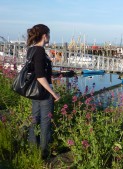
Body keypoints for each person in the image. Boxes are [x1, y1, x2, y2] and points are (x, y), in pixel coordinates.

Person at [26, 24, 60, 159]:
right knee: (46, 122)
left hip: (35, 92)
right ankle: (44, 154)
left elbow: (37, 71)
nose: (49, 37)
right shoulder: (39, 51)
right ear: (44, 35)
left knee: (35, 119)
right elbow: (40, 76)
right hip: (44, 93)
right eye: (49, 35)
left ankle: (32, 149)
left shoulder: (32, 50)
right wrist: (53, 93)